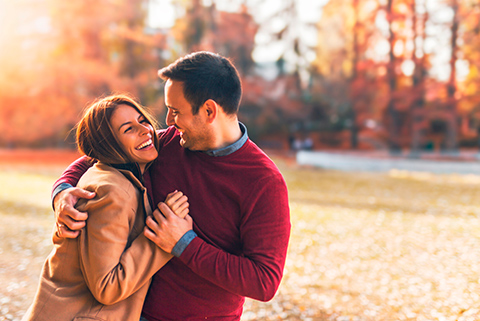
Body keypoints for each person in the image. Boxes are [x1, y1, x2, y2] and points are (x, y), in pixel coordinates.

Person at [52, 51, 291, 320]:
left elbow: (264, 281)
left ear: (209, 111)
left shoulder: (263, 182)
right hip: (131, 313)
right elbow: (100, 155)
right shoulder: (168, 144)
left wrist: (184, 243)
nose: (167, 121)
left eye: (175, 111)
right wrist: (62, 192)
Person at [23, 95, 190, 321]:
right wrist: (163, 237)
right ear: (108, 145)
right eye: (128, 129)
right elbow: (106, 287)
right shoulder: (112, 191)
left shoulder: (115, 177)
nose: (145, 130)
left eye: (142, 120)